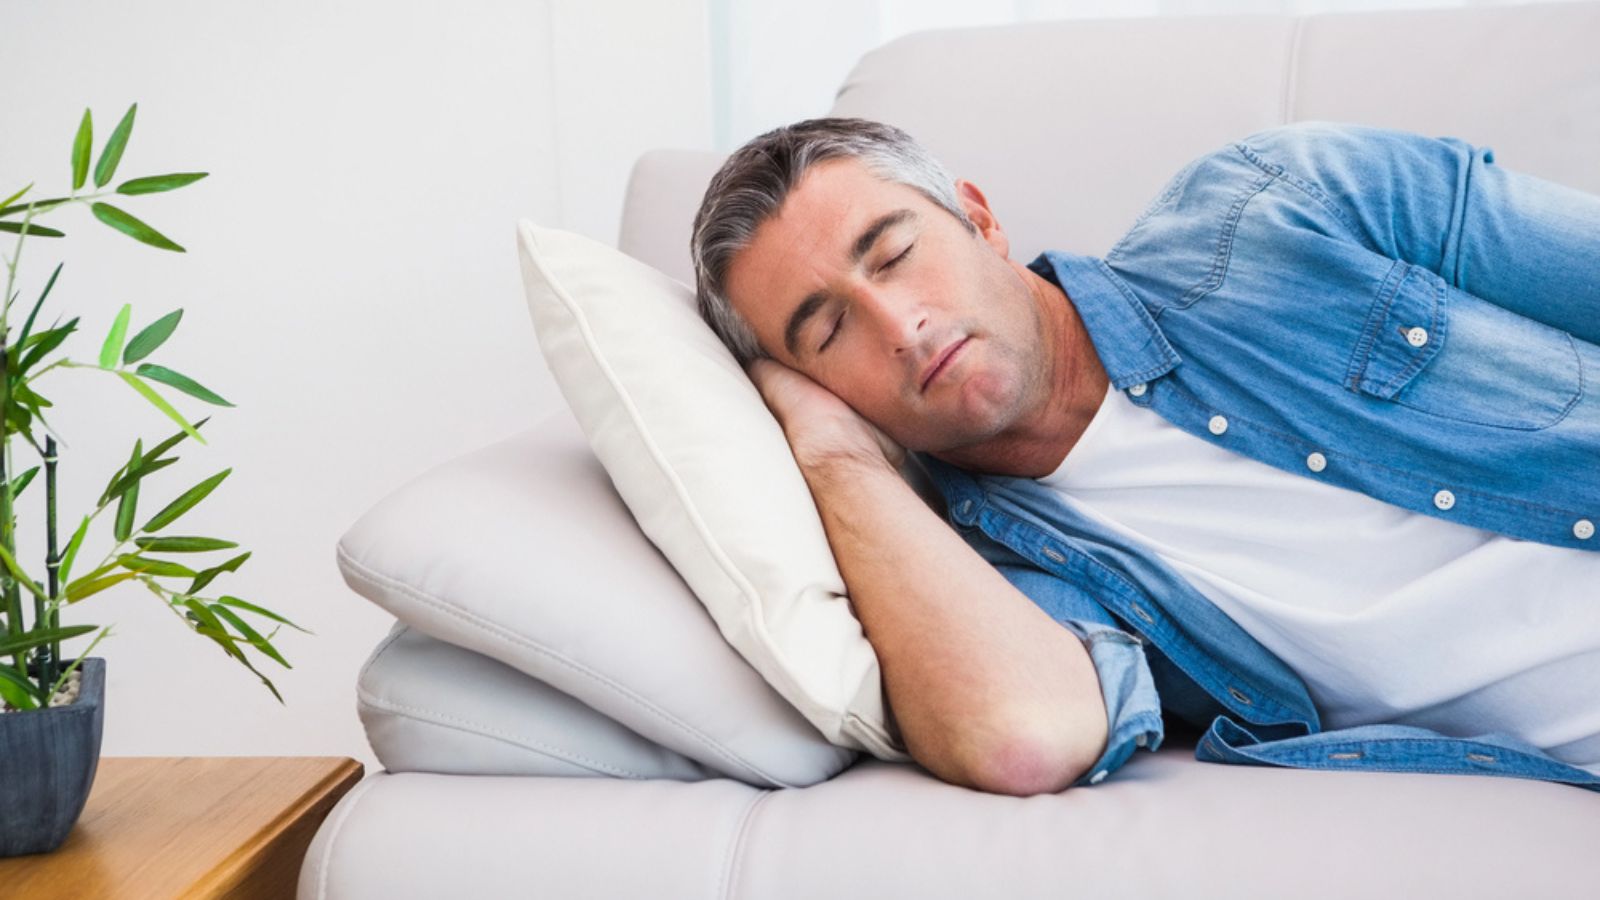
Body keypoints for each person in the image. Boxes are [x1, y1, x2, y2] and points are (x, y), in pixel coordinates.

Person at [688, 117, 1600, 797]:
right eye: (829, 331)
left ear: (977, 217)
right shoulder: (1008, 573)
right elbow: (1023, 739)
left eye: (893, 255)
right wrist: (835, 458)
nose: (900, 326)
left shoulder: (1281, 203)